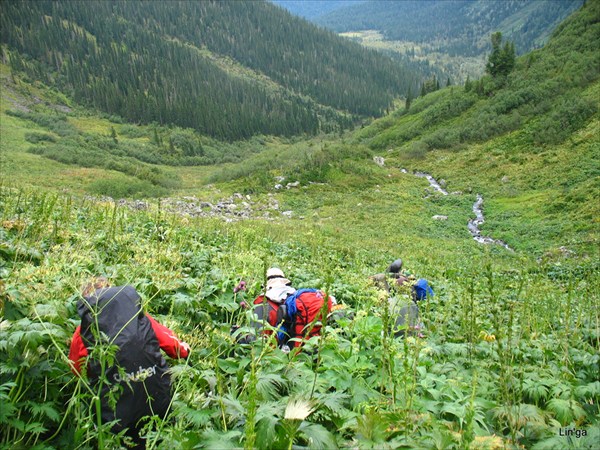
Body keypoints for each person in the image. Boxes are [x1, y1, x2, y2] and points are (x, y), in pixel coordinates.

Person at [69, 277, 190, 448]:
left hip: (117, 414)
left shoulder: (84, 330)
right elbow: (171, 345)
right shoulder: (136, 317)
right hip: (157, 399)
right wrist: (184, 350)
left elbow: (76, 369)